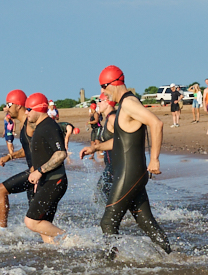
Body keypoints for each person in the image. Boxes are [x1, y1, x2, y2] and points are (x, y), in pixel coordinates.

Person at [85, 65, 173, 256]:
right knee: (147, 224)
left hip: (129, 173)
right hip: (130, 173)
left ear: (113, 84)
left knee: (107, 222)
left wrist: (155, 159)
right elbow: (120, 141)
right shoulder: (124, 104)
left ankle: (109, 269)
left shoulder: (129, 103)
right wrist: (96, 147)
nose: (102, 92)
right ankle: (172, 258)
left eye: (103, 86)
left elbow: (156, 123)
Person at [16, 93, 69, 244]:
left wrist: (39, 172)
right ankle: (56, 253)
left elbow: (61, 154)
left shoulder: (49, 126)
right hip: (46, 181)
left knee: (31, 222)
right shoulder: (41, 127)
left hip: (55, 181)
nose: (26, 112)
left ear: (38, 109)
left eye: (28, 109)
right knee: (43, 226)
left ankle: (71, 239)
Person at [0, 89, 32, 228]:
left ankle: (2, 231)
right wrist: (10, 156)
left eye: (9, 104)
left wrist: (40, 169)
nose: (6, 108)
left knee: (0, 190)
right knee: (36, 220)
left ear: (18, 105)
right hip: (34, 173)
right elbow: (28, 150)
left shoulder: (31, 124)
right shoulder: (24, 124)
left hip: (38, 173)